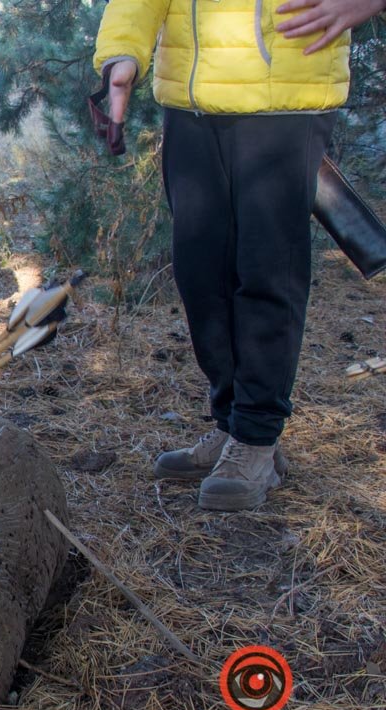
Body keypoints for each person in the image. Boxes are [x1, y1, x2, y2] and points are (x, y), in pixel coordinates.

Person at [95, 0, 385, 511]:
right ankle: (230, 425)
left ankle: (256, 439)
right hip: (190, 105)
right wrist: (122, 56)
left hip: (285, 99)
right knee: (200, 277)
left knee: (266, 273)